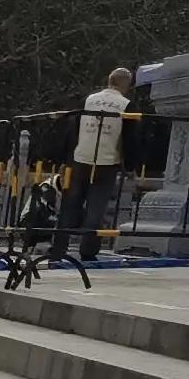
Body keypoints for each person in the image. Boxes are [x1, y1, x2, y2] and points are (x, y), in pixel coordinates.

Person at [71, 67, 133, 260]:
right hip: (107, 161)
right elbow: (130, 138)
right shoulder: (126, 105)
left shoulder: (89, 100)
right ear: (126, 84)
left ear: (109, 80)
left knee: (71, 202)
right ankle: (88, 250)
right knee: (96, 207)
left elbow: (74, 128)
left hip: (81, 157)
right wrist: (130, 165)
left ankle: (60, 244)